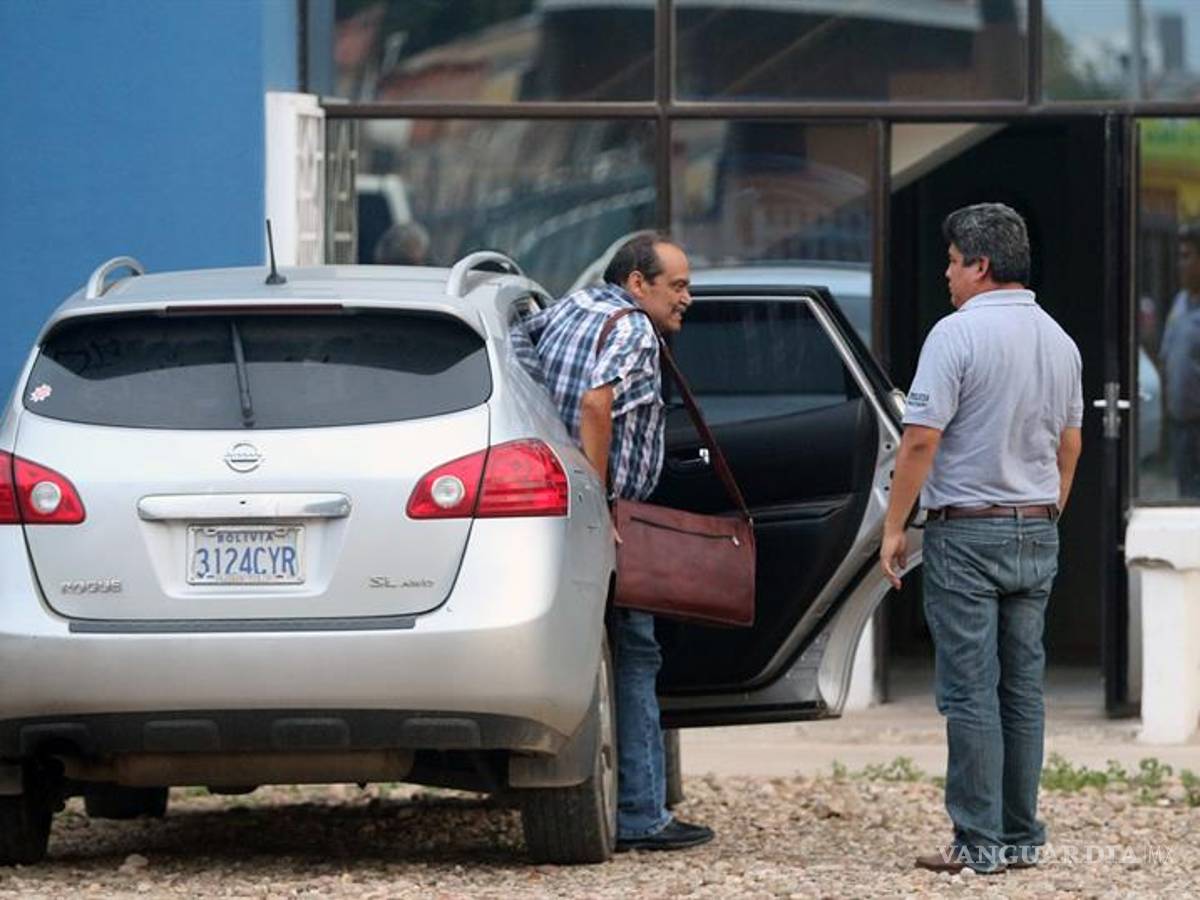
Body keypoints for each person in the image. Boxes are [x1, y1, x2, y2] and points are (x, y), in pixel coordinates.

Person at [879, 203, 1083, 874]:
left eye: (952, 261)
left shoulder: (955, 335)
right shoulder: (1059, 339)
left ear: (980, 265)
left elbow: (920, 438)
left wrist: (894, 527)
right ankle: (1022, 835)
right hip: (1035, 528)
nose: (945, 274)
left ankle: (978, 843)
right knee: (1022, 690)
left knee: (970, 690)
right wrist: (1049, 507)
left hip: (967, 532)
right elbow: (1070, 441)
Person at [516, 233, 713, 851]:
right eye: (677, 286)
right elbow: (598, 407)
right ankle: (641, 814)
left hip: (549, 513)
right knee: (637, 656)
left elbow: (525, 358)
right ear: (637, 283)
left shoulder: (572, 307)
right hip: (605, 518)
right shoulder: (630, 330)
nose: (688, 298)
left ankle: (631, 801)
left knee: (597, 653)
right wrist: (597, 503)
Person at [1159, 223, 1200, 498]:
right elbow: (1167, 358)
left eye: (1186, 256)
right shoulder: (1179, 302)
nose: (1179, 264)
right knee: (1185, 498)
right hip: (1180, 427)